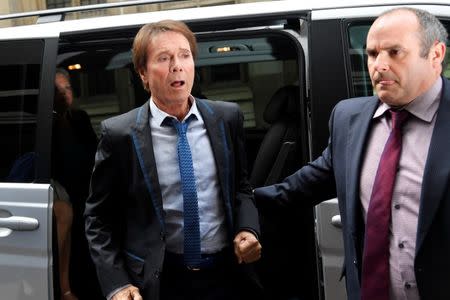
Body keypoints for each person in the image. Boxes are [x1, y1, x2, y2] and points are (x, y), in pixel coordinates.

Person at [254, 7, 448, 300]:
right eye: (371, 54)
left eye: (395, 52)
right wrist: (238, 208)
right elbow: (309, 182)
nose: (379, 65)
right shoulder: (349, 118)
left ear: (436, 55)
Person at [84, 20, 262, 300]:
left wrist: (248, 228)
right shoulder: (119, 134)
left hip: (226, 275)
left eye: (184, 55)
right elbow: (98, 219)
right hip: (161, 281)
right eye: (164, 58)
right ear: (143, 73)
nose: (177, 66)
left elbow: (241, 187)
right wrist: (117, 284)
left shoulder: (227, 118)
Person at [52, 68, 100, 300]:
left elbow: (96, 155)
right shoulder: (47, 125)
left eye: (68, 88)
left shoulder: (80, 118)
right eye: (58, 90)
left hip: (88, 196)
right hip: (63, 200)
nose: (64, 94)